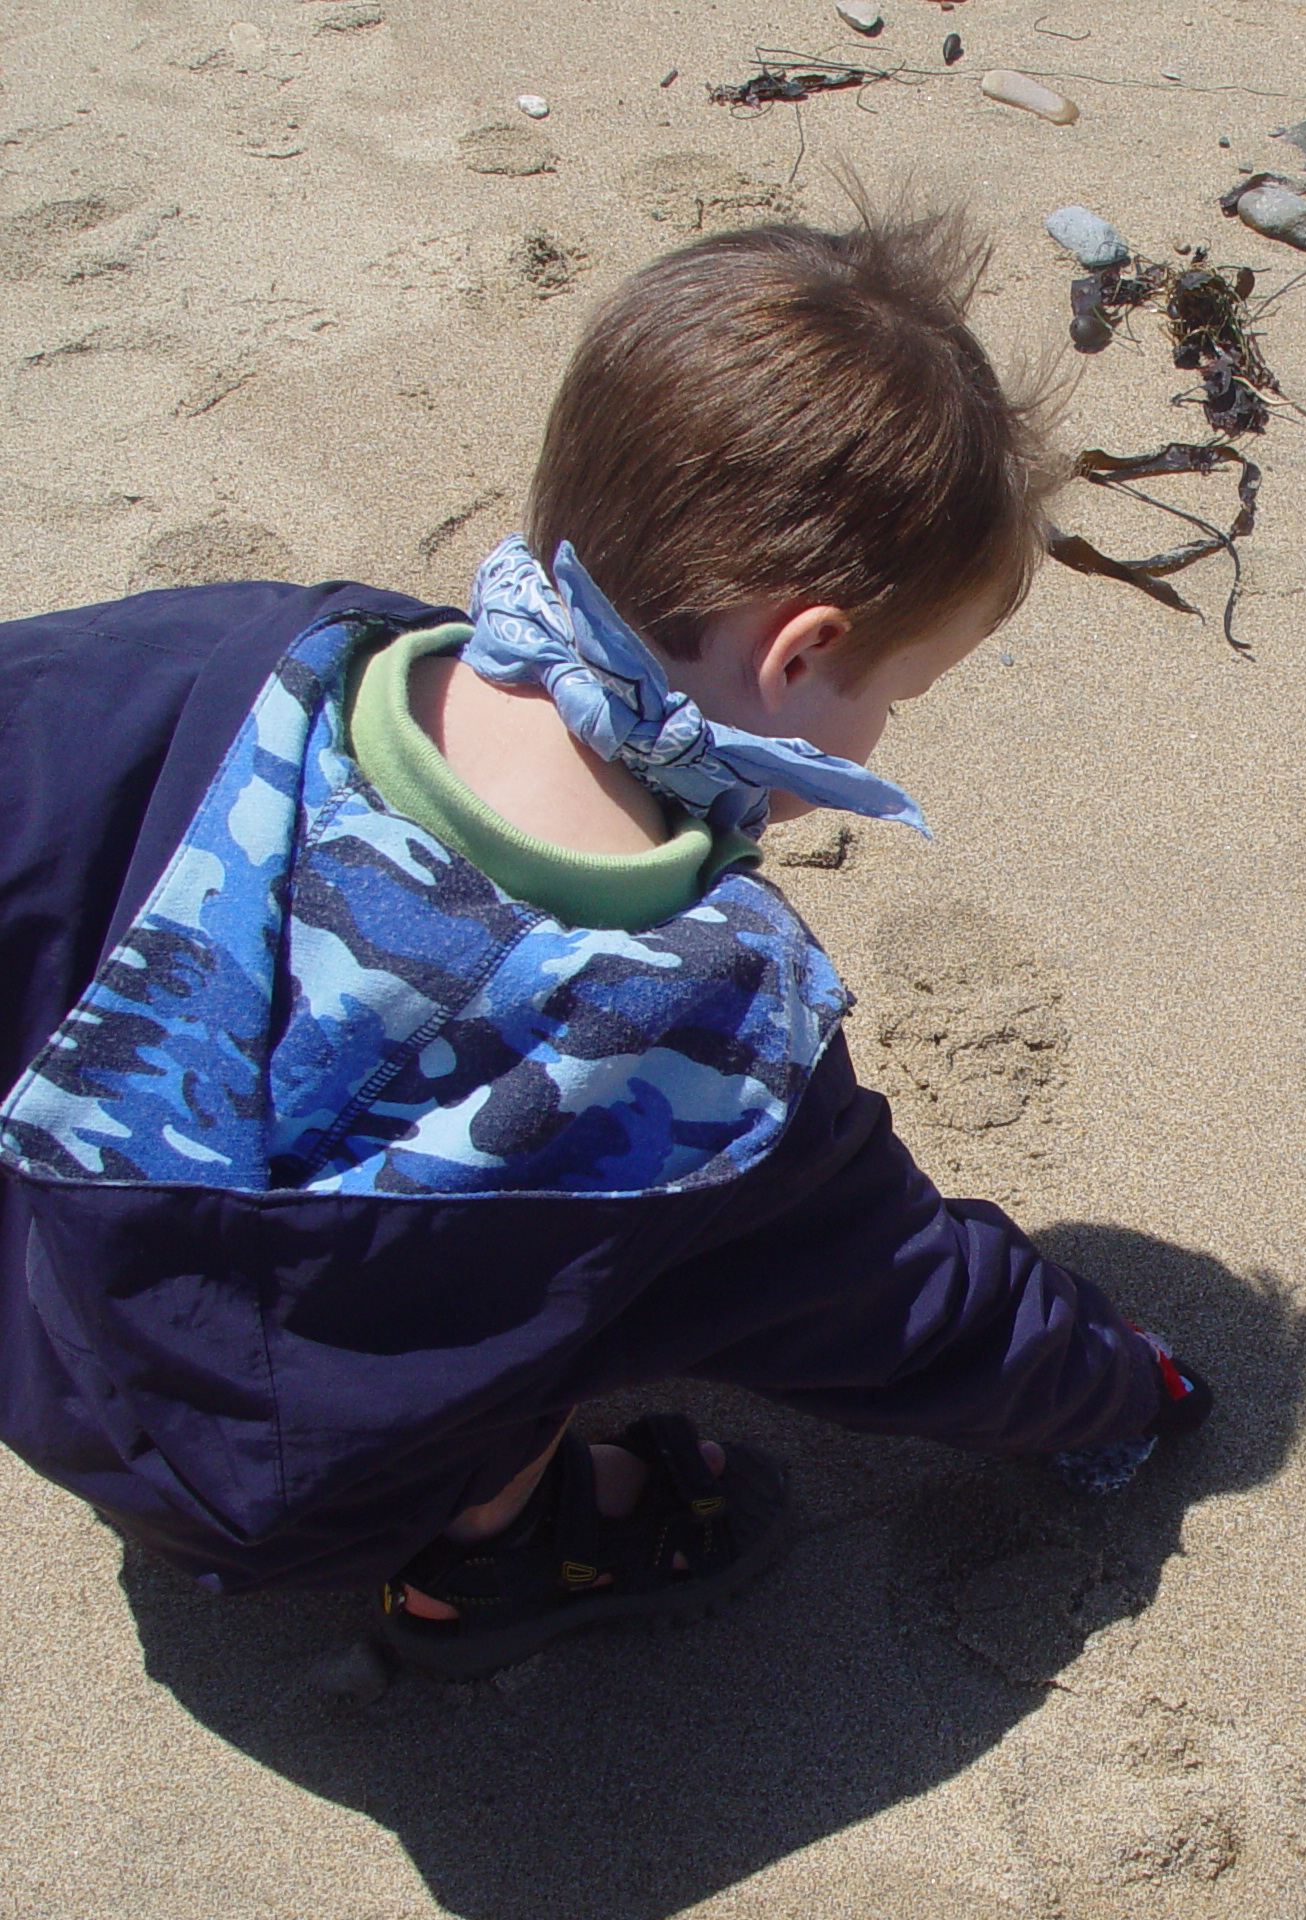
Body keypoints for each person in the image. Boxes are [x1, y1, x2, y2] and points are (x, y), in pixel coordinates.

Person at [0, 202, 1208, 1679]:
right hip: (281, 1496)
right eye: (892, 696)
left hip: (40, 1310)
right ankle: (494, 1554)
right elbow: (882, 1290)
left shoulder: (234, 656)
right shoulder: (702, 1012)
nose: (881, 732)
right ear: (802, 651)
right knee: (607, 1267)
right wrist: (1113, 1387)